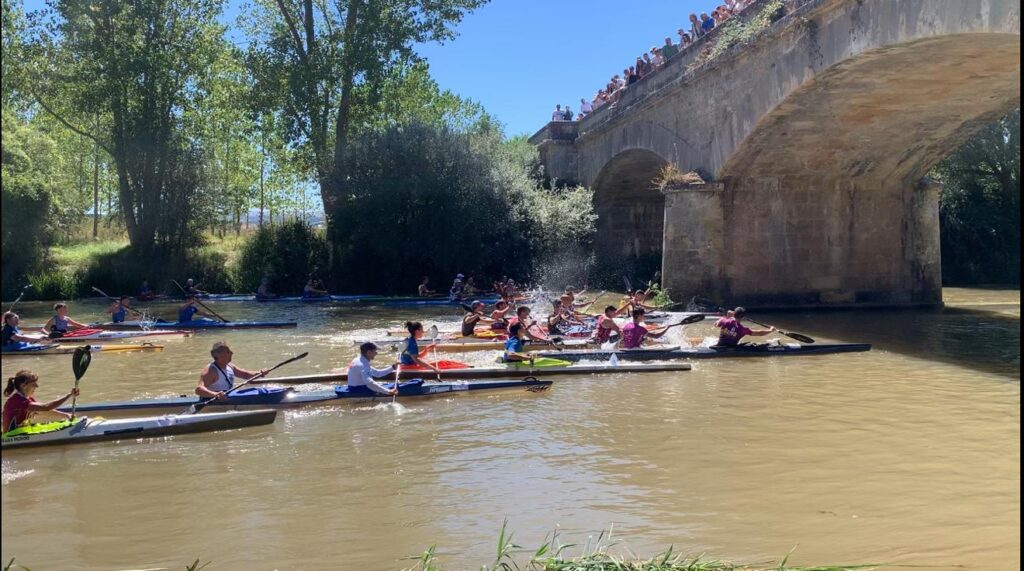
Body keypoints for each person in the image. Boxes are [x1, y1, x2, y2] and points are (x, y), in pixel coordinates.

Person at [3, 370, 79, 433]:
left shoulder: (28, 399)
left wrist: (65, 415)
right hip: (11, 435)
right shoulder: (17, 401)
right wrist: (69, 395)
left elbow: (43, 411)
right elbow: (46, 407)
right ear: (23, 385)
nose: (37, 386)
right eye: (33, 384)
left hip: (20, 432)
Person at [195, 342, 269, 400]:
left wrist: (260, 373)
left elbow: (245, 375)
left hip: (227, 398)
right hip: (213, 400)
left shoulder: (230, 366)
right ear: (218, 355)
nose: (231, 353)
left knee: (257, 391)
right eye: (228, 351)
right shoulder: (211, 370)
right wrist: (215, 394)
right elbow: (199, 390)